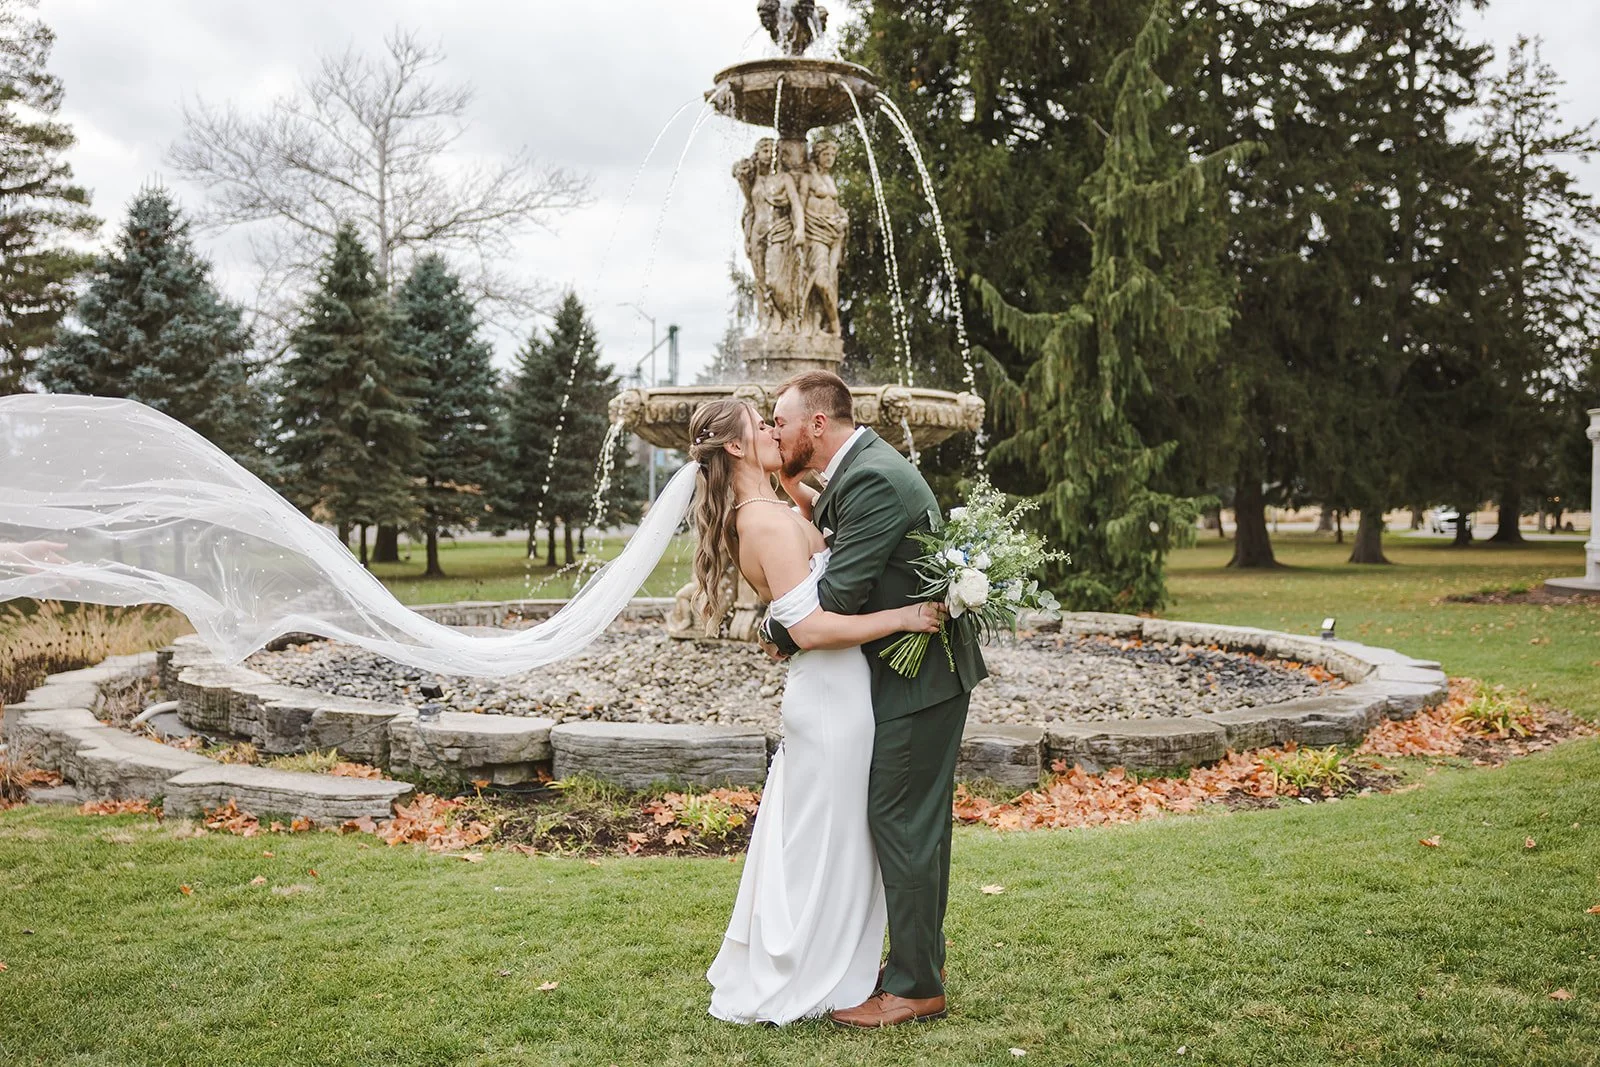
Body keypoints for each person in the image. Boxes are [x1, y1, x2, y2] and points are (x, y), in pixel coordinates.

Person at [689, 396, 945, 1026]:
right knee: (827, 840)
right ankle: (816, 970)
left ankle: (843, 965)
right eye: (763, 425)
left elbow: (813, 564)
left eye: (778, 420)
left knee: (835, 837)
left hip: (842, 691)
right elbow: (808, 628)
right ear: (735, 447)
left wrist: (787, 478)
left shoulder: (776, 506)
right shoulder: (765, 522)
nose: (775, 430)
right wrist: (906, 617)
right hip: (830, 695)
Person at [761, 369, 988, 1028]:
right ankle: (922, 961)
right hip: (910, 673)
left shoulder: (872, 480)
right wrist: (787, 486)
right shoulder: (857, 470)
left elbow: (836, 598)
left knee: (901, 820)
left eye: (781, 421)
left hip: (923, 681)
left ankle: (916, 986)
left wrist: (777, 627)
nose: (775, 432)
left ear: (818, 425)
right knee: (916, 822)